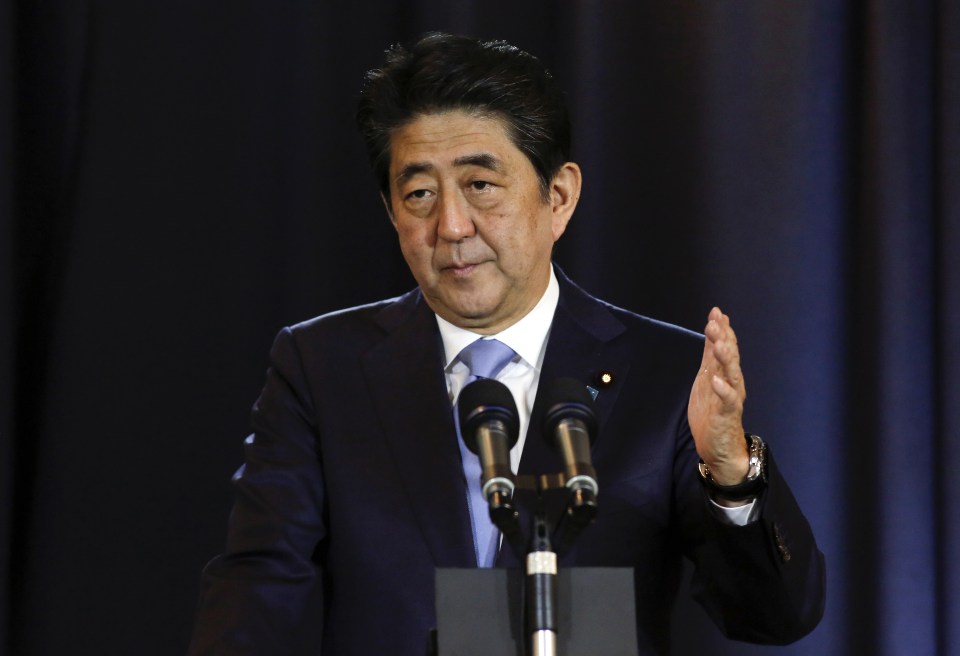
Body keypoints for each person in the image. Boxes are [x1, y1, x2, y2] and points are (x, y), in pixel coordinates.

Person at [188, 32, 825, 655]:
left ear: (558, 197)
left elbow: (776, 616)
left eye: (480, 186)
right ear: (391, 211)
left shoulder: (663, 374)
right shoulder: (321, 368)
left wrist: (732, 476)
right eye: (419, 195)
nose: (452, 226)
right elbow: (259, 589)